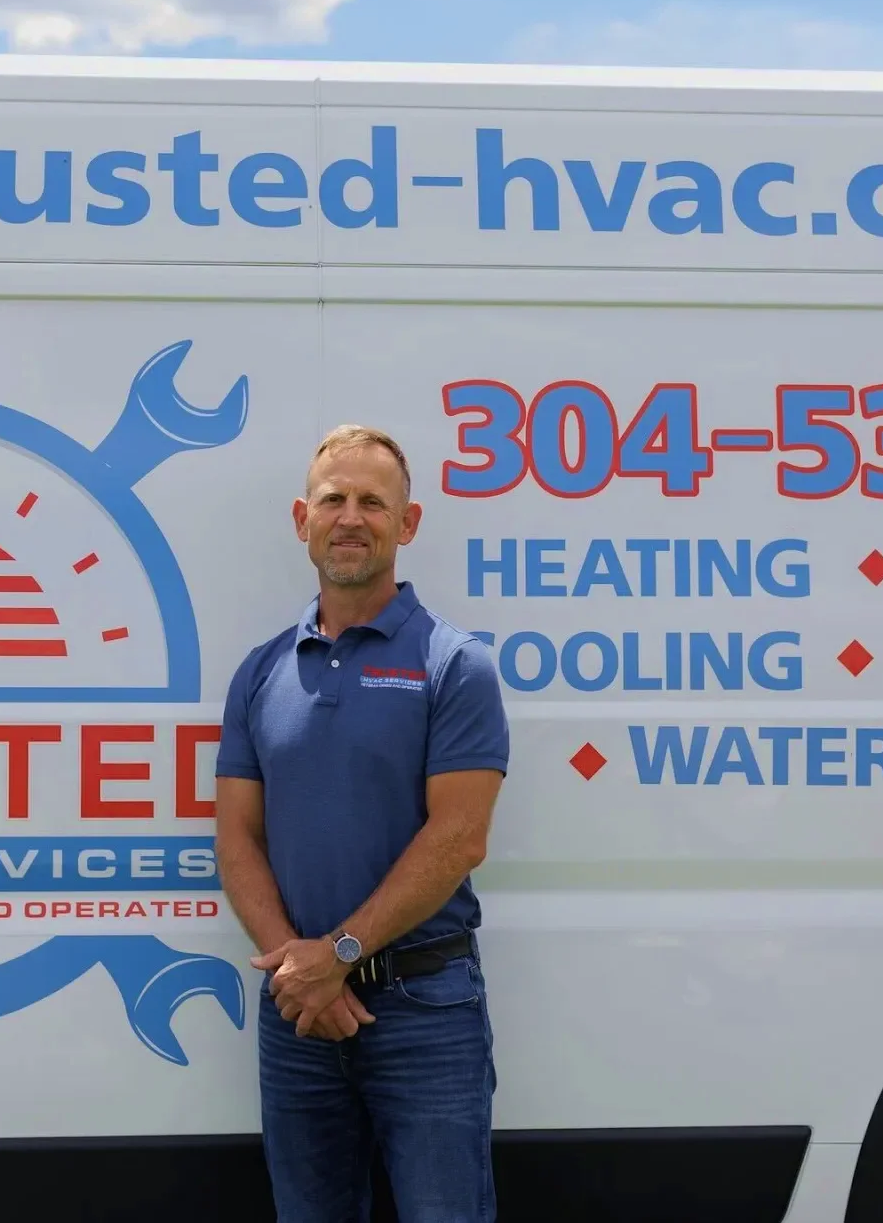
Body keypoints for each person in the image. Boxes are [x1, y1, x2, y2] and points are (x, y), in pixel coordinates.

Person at [214, 424, 510, 1223]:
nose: (350, 517)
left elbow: (460, 837)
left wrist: (338, 954)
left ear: (407, 525)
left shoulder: (454, 666)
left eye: (373, 503)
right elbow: (237, 838)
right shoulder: (261, 672)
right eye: (333, 499)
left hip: (425, 1009)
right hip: (299, 1015)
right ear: (302, 519)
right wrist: (298, 971)